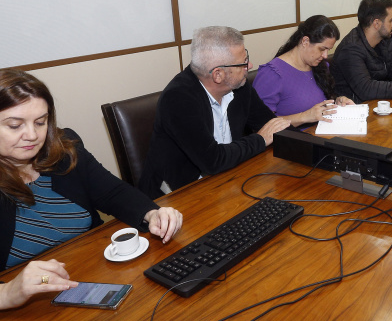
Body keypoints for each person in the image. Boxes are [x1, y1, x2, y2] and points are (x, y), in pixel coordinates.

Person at [0, 70, 183, 321]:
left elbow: (113, 193)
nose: (32, 136)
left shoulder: (63, 151)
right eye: (14, 125)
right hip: (11, 320)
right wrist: (5, 292)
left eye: (40, 122)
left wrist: (151, 213)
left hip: (86, 285)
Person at [140, 26, 331, 198]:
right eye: (243, 63)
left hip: (227, 179)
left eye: (246, 57)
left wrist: (324, 156)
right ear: (218, 75)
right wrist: (260, 139)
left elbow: (271, 125)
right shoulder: (179, 99)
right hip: (176, 195)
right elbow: (213, 161)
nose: (249, 66)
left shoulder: (239, 88)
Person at [253, 15, 355, 116]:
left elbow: (321, 104)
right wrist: (304, 117)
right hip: (292, 132)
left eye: (328, 50)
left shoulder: (320, 66)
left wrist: (337, 101)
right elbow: (260, 123)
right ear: (305, 41)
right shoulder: (272, 74)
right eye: (322, 49)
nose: (325, 55)